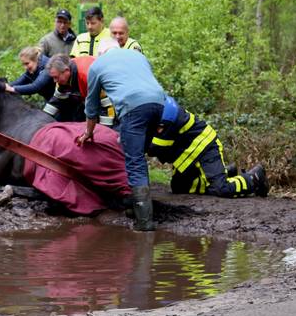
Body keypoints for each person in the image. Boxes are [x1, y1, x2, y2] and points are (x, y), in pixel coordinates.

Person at [77, 40, 269, 231]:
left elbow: (92, 107)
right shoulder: (138, 56)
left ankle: (143, 220)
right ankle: (223, 171)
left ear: (101, 54)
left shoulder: (98, 65)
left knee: (135, 160)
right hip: (157, 104)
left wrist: (89, 132)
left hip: (178, 131)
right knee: (173, 182)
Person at [45, 54, 116, 127]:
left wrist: (105, 130)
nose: (54, 81)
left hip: (116, 95)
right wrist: (42, 120)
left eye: (56, 77)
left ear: (66, 71)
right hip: (92, 100)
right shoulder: (63, 77)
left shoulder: (88, 76)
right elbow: (56, 101)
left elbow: (107, 106)